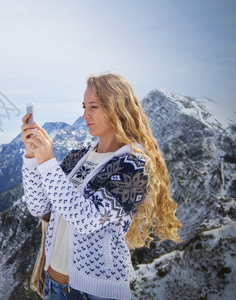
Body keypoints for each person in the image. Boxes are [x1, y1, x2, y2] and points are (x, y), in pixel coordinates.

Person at [21, 74, 182, 300]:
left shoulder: (134, 165)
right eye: (84, 106)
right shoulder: (78, 156)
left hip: (95, 293)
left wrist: (47, 162)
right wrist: (31, 156)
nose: (84, 114)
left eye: (93, 107)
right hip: (54, 286)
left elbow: (85, 219)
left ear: (116, 108)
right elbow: (39, 207)